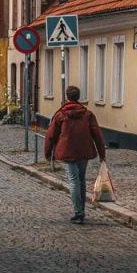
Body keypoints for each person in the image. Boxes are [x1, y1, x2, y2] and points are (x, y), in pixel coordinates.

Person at [44, 85, 106, 224]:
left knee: (73, 180)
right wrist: (102, 154)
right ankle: (81, 210)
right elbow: (97, 135)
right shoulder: (87, 114)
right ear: (78, 97)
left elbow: (50, 135)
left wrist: (48, 153)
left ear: (67, 97)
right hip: (84, 150)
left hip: (67, 151)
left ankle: (78, 213)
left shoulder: (61, 115)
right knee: (81, 179)